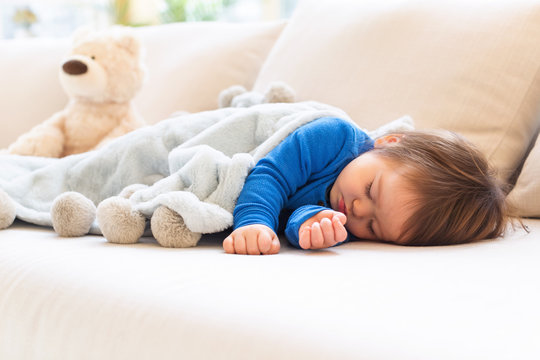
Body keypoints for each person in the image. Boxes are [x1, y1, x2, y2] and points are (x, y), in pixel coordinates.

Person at [222, 117, 508, 255]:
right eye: (372, 189)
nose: (358, 210)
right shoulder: (333, 137)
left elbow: (293, 223)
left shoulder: (351, 226)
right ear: (388, 143)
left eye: (373, 227)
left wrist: (313, 227)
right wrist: (254, 223)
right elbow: (272, 175)